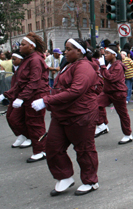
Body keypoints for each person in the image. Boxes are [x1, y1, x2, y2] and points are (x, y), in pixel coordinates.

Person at [31, 38, 102, 196]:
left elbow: (76, 91)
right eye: (65, 49)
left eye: (69, 49)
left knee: (84, 149)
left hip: (80, 115)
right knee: (52, 146)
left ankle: (91, 181)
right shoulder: (69, 65)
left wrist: (46, 101)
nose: (65, 52)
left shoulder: (84, 67)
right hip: (61, 114)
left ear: (79, 51)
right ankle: (64, 176)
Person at [1, 32, 50, 162]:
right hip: (28, 96)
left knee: (35, 123)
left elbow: (34, 81)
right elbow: (20, 81)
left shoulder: (35, 60)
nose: (20, 47)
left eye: (23, 44)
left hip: (35, 96)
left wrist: (21, 98)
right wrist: (7, 95)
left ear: (31, 46)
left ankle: (41, 150)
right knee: (15, 118)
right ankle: (34, 140)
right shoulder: (28, 59)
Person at [95, 44, 133, 145]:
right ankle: (102, 125)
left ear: (114, 54)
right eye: (105, 53)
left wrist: (102, 67)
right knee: (94, 105)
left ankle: (128, 135)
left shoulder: (118, 65)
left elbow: (111, 78)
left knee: (123, 114)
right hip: (107, 92)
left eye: (108, 53)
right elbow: (105, 75)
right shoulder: (110, 64)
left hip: (118, 93)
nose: (105, 55)